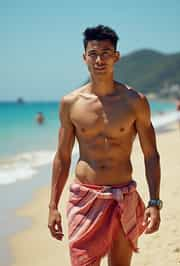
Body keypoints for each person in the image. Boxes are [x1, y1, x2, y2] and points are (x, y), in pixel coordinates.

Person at [48, 25, 162, 266]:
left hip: (123, 195)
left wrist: (154, 202)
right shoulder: (70, 103)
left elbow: (151, 155)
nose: (99, 59)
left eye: (106, 53)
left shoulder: (135, 101)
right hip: (84, 198)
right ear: (84, 57)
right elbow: (63, 157)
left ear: (116, 57)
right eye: (93, 53)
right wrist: (52, 206)